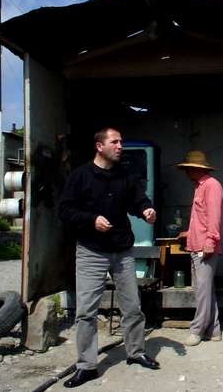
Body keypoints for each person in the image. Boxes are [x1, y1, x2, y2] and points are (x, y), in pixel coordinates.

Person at [59, 127, 160, 388]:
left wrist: (146, 210)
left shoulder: (125, 176)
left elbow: (138, 201)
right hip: (91, 251)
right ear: (99, 146)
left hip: (122, 251)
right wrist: (91, 220)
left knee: (132, 308)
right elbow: (66, 211)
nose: (120, 146)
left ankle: (135, 352)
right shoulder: (80, 176)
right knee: (86, 312)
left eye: (121, 142)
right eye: (114, 142)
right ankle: (87, 366)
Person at [176, 151, 223, 346]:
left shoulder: (211, 186)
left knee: (202, 292)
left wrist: (210, 241)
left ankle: (197, 330)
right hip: (198, 244)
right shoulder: (201, 187)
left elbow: (214, 218)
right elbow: (202, 219)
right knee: (206, 291)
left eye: (188, 168)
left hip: (205, 247)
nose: (186, 172)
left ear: (197, 169)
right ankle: (214, 330)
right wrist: (189, 234)